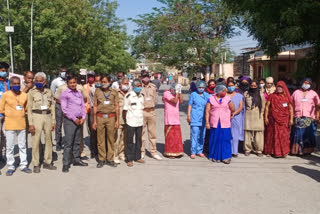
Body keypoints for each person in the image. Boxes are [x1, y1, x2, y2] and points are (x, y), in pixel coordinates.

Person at [0, 76, 32, 176]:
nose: (17, 85)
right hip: (10, 124)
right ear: (10, 84)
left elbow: (26, 108)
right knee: (10, 147)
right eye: (14, 83)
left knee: (22, 145)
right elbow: (1, 109)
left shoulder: (24, 95)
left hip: (22, 124)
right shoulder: (5, 95)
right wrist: (10, 113)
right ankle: (11, 166)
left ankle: (23, 165)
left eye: (18, 83)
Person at [28, 72, 57, 173]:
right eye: (37, 81)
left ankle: (47, 162)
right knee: (36, 140)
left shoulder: (49, 92)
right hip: (36, 116)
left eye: (41, 81)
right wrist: (30, 123)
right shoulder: (31, 92)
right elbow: (29, 108)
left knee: (48, 139)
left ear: (45, 82)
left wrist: (53, 121)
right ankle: (36, 163)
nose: (39, 83)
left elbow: (52, 107)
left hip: (47, 116)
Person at [55, 71, 88, 157]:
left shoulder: (79, 91)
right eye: (71, 83)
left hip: (80, 118)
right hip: (70, 119)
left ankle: (77, 158)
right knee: (69, 141)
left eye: (74, 82)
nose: (73, 84)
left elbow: (83, 103)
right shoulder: (64, 91)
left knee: (77, 140)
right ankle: (66, 162)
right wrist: (74, 118)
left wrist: (83, 117)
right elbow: (63, 107)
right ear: (67, 83)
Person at [92, 75, 119, 168]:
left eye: (105, 81)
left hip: (111, 117)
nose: (103, 83)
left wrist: (117, 120)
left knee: (111, 139)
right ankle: (101, 159)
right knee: (100, 139)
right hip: (100, 117)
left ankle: (110, 159)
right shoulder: (97, 91)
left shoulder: (114, 92)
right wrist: (94, 121)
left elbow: (116, 106)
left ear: (110, 82)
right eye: (102, 82)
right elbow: (95, 106)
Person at [205, 84, 235, 164]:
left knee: (225, 139)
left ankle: (226, 157)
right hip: (214, 122)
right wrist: (207, 122)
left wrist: (230, 115)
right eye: (223, 91)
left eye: (225, 91)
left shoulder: (228, 99)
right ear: (218, 91)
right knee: (214, 139)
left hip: (225, 123)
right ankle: (214, 156)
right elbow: (207, 111)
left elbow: (232, 109)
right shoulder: (211, 99)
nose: (225, 92)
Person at [264, 81, 293, 157]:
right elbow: (267, 107)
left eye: (281, 87)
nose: (279, 88)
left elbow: (290, 109)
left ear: (284, 88)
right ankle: (270, 151)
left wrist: (291, 119)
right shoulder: (272, 96)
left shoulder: (287, 97)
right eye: (278, 87)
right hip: (273, 119)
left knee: (283, 136)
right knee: (271, 135)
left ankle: (283, 152)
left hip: (284, 120)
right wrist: (266, 117)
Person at [291, 78, 320, 155]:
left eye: (308, 83)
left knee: (308, 134)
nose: (306, 85)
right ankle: (297, 151)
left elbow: (318, 106)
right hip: (297, 116)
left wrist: (317, 116)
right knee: (297, 134)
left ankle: (306, 151)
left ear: (310, 85)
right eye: (305, 83)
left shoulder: (313, 93)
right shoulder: (296, 92)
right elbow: (291, 104)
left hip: (309, 117)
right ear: (301, 83)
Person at [141, 70, 162, 160]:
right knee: (141, 133)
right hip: (142, 111)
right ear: (141, 77)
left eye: (147, 76)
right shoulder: (138, 86)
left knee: (152, 133)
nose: (146, 78)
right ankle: (142, 152)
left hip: (151, 111)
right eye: (144, 76)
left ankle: (153, 152)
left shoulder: (153, 87)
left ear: (149, 77)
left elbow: (156, 99)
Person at [123, 79, 145, 167]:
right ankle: (129, 159)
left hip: (139, 121)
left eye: (140, 86)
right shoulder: (129, 96)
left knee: (139, 140)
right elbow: (125, 110)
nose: (139, 87)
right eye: (138, 86)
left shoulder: (142, 96)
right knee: (129, 141)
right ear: (133, 86)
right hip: (131, 122)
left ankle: (138, 157)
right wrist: (126, 121)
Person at [187, 80, 210, 159]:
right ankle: (193, 151)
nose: (201, 88)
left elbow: (209, 106)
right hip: (194, 117)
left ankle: (199, 150)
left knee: (202, 135)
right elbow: (190, 105)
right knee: (194, 134)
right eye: (199, 87)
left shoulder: (207, 95)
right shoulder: (193, 94)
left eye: (202, 87)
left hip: (203, 118)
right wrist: (188, 115)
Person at [243, 80, 266, 157]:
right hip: (248, 114)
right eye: (251, 86)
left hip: (258, 115)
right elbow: (244, 104)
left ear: (257, 86)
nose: (253, 87)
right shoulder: (246, 93)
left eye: (254, 86)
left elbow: (263, 106)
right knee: (247, 133)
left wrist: (261, 115)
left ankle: (259, 150)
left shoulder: (261, 94)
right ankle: (247, 149)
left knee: (258, 133)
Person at [162, 82, 184, 158]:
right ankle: (169, 152)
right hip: (169, 118)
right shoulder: (166, 93)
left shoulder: (176, 94)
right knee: (170, 137)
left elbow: (181, 101)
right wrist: (177, 92)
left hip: (176, 117)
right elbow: (174, 101)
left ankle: (178, 152)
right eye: (174, 89)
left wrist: (180, 92)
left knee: (177, 136)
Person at [114, 77, 130, 164]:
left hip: (128, 119)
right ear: (120, 84)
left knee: (124, 138)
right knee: (116, 138)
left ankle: (122, 153)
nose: (126, 85)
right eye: (124, 83)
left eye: (127, 84)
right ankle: (115, 155)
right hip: (118, 119)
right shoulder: (115, 93)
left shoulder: (130, 93)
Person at [50, 68, 67, 151]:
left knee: (67, 124)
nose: (64, 73)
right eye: (62, 71)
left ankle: (68, 141)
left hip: (68, 106)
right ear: (59, 72)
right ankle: (58, 142)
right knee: (58, 124)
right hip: (59, 105)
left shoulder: (69, 80)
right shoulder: (55, 81)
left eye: (65, 71)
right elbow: (52, 93)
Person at [227, 80, 244, 157]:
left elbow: (240, 107)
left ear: (235, 86)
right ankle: (228, 150)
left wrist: (234, 113)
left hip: (236, 117)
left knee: (235, 134)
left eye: (232, 85)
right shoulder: (224, 95)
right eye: (229, 86)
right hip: (226, 117)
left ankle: (235, 151)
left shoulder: (239, 95)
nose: (230, 87)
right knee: (227, 134)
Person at [88, 74, 101, 158]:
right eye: (96, 81)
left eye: (99, 81)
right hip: (93, 110)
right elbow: (90, 100)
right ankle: (93, 150)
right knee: (93, 131)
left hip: (103, 110)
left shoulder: (105, 90)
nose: (98, 82)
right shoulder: (92, 89)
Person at [0, 62, 10, 163]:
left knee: (6, 135)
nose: (5, 72)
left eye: (6, 71)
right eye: (3, 71)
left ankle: (4, 155)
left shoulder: (8, 83)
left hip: (7, 114)